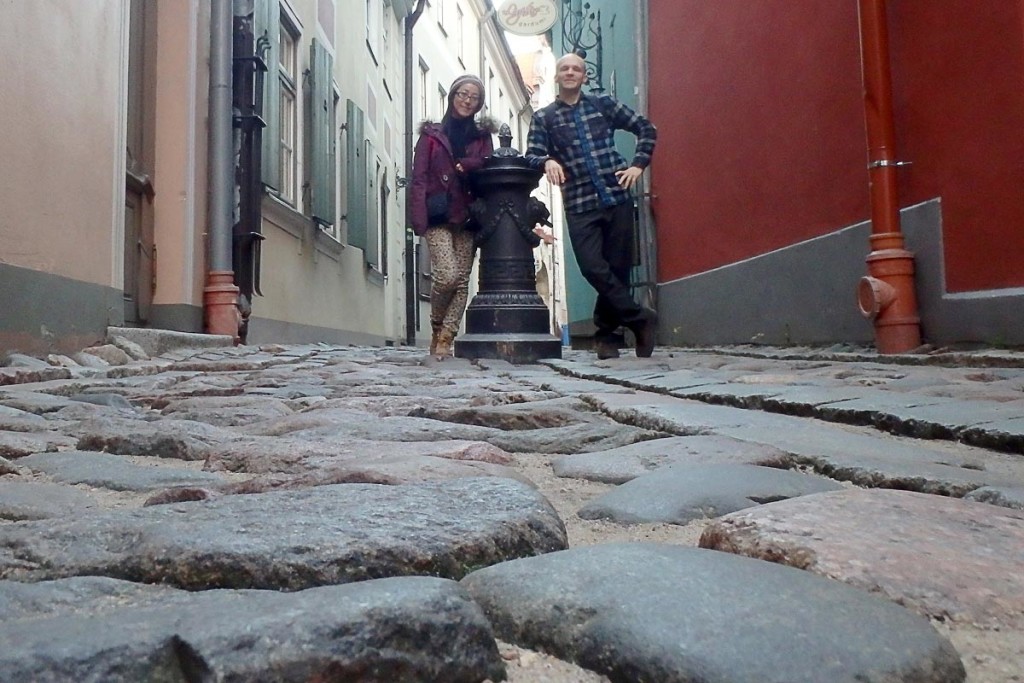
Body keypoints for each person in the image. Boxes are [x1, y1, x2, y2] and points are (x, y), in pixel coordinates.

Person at [525, 52, 658, 360]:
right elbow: (532, 154)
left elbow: (646, 129)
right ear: (557, 77)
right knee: (592, 267)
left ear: (584, 76)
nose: (570, 72)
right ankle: (640, 318)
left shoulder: (603, 105)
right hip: (579, 201)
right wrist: (547, 160)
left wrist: (638, 165)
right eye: (564, 69)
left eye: (576, 69)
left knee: (618, 268)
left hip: (617, 195)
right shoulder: (544, 117)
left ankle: (607, 336)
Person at [411, 75, 494, 358]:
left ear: (479, 104)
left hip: (468, 213)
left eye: (473, 97)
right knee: (446, 276)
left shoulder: (482, 138)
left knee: (461, 282)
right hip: (438, 212)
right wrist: (418, 218)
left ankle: (446, 337)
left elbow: (488, 169)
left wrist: (470, 164)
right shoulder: (432, 136)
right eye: (462, 94)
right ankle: (437, 326)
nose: (467, 100)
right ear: (452, 96)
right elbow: (418, 178)